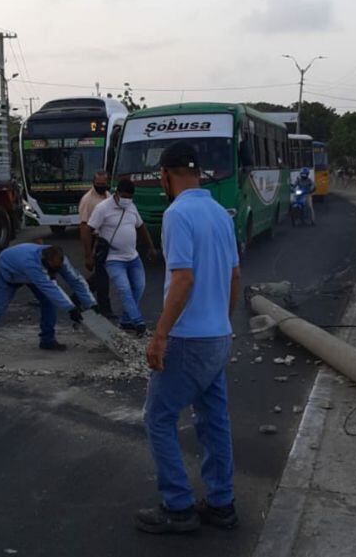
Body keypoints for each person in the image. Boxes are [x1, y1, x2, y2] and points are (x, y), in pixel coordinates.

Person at [136, 141, 242, 535]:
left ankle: (178, 506)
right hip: (218, 335)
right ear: (198, 173)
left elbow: (182, 278)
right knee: (214, 421)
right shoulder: (219, 212)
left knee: (159, 418)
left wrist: (160, 336)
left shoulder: (177, 214)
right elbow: (234, 277)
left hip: (187, 340)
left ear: (165, 175)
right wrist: (221, 322)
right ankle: (221, 504)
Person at [0, 244, 96, 356]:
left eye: (58, 268)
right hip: (9, 272)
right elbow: (51, 288)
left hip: (28, 270)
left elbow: (76, 280)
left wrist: (92, 304)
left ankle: (47, 340)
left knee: (48, 303)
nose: (56, 271)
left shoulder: (59, 260)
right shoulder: (31, 264)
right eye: (53, 269)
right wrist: (71, 309)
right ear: (45, 260)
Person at [86, 178, 158, 336]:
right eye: (125, 196)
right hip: (113, 258)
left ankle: (125, 321)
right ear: (117, 193)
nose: (127, 200)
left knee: (138, 287)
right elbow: (88, 228)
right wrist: (88, 255)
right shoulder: (103, 208)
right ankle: (139, 323)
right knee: (124, 289)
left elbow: (140, 227)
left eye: (130, 197)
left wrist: (150, 247)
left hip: (133, 257)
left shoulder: (131, 207)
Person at [79, 171, 114, 317]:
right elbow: (84, 227)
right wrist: (88, 254)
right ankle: (105, 309)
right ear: (93, 182)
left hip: (107, 241)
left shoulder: (108, 196)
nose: (101, 186)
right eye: (98, 184)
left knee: (101, 275)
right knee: (103, 277)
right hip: (96, 241)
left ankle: (78, 296)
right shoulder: (88, 200)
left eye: (103, 184)